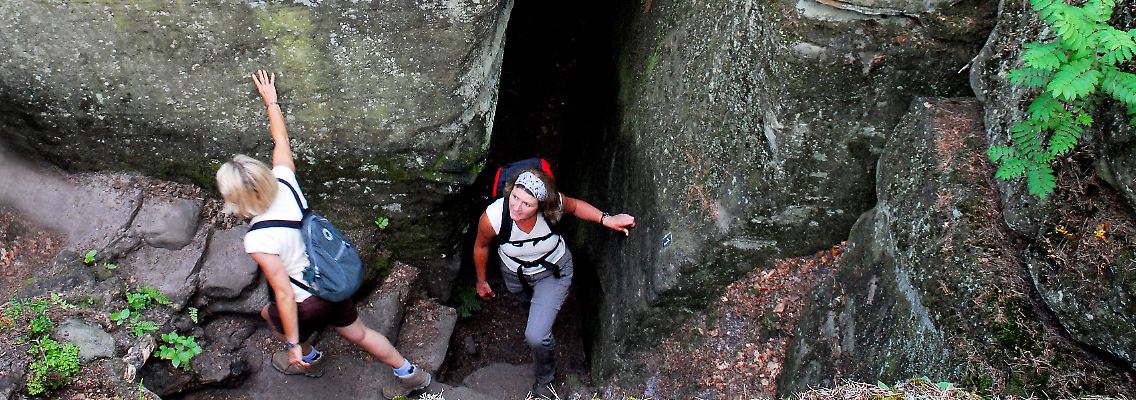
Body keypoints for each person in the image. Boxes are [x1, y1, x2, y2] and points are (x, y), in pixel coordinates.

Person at [215, 70, 430, 399]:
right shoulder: (285, 181)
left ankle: (309, 356)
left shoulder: (257, 240)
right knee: (359, 332)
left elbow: (284, 294)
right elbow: (281, 141)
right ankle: (411, 373)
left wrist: (292, 345)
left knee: (267, 314)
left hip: (308, 302)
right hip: (331, 281)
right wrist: (271, 101)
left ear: (237, 200)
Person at [472, 168, 636, 398]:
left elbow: (576, 206)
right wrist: (481, 280)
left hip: (552, 272)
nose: (516, 207)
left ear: (541, 205)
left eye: (526, 204)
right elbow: (481, 246)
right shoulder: (494, 218)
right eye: (515, 197)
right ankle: (540, 315)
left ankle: (545, 379)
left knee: (536, 336)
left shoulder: (553, 206)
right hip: (515, 274)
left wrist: (605, 219)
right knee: (527, 306)